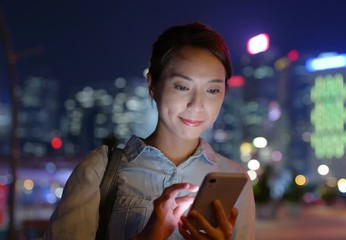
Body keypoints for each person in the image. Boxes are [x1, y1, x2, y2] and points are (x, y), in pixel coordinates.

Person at [44, 22, 256, 240]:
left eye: (212, 90)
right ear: (152, 85)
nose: (197, 104)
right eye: (182, 87)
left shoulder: (235, 179)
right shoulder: (100, 170)